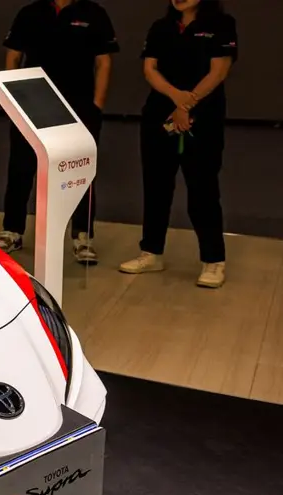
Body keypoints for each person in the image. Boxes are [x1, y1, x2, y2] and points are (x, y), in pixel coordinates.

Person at [119, 0, 237, 289]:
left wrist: (187, 105)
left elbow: (218, 71)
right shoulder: (161, 27)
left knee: (202, 189)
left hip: (203, 117)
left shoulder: (221, 25)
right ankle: (151, 252)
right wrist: (176, 97)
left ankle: (213, 260)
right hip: (159, 115)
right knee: (156, 187)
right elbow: (150, 69)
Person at [0, 0, 117, 264]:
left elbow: (104, 62)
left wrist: (96, 106)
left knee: (80, 172)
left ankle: (82, 236)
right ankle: (12, 230)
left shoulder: (94, 13)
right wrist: (13, 100)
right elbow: (13, 56)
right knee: (21, 168)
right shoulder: (30, 12)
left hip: (78, 106)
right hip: (32, 104)